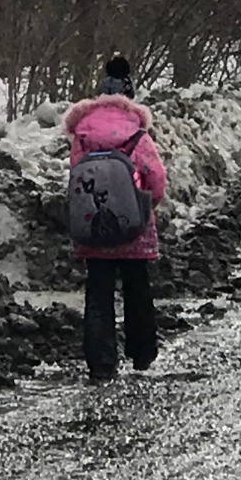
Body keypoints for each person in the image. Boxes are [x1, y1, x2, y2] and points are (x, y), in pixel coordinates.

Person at [63, 53, 169, 383]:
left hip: (95, 227)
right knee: (137, 287)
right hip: (133, 226)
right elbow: (156, 178)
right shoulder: (137, 134)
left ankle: (101, 363)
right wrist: (145, 207)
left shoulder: (82, 134)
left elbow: (75, 176)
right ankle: (142, 354)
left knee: (98, 292)